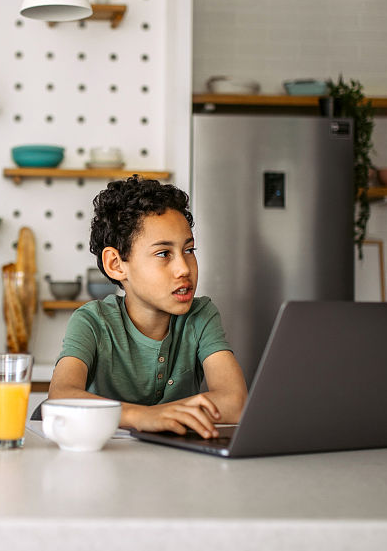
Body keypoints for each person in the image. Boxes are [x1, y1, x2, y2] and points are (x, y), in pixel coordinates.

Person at [48, 176, 247, 438]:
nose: (184, 269)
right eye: (164, 253)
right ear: (116, 265)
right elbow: (61, 397)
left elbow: (235, 402)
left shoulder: (200, 316)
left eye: (189, 250)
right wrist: (142, 416)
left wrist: (160, 415)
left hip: (175, 458)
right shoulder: (92, 321)